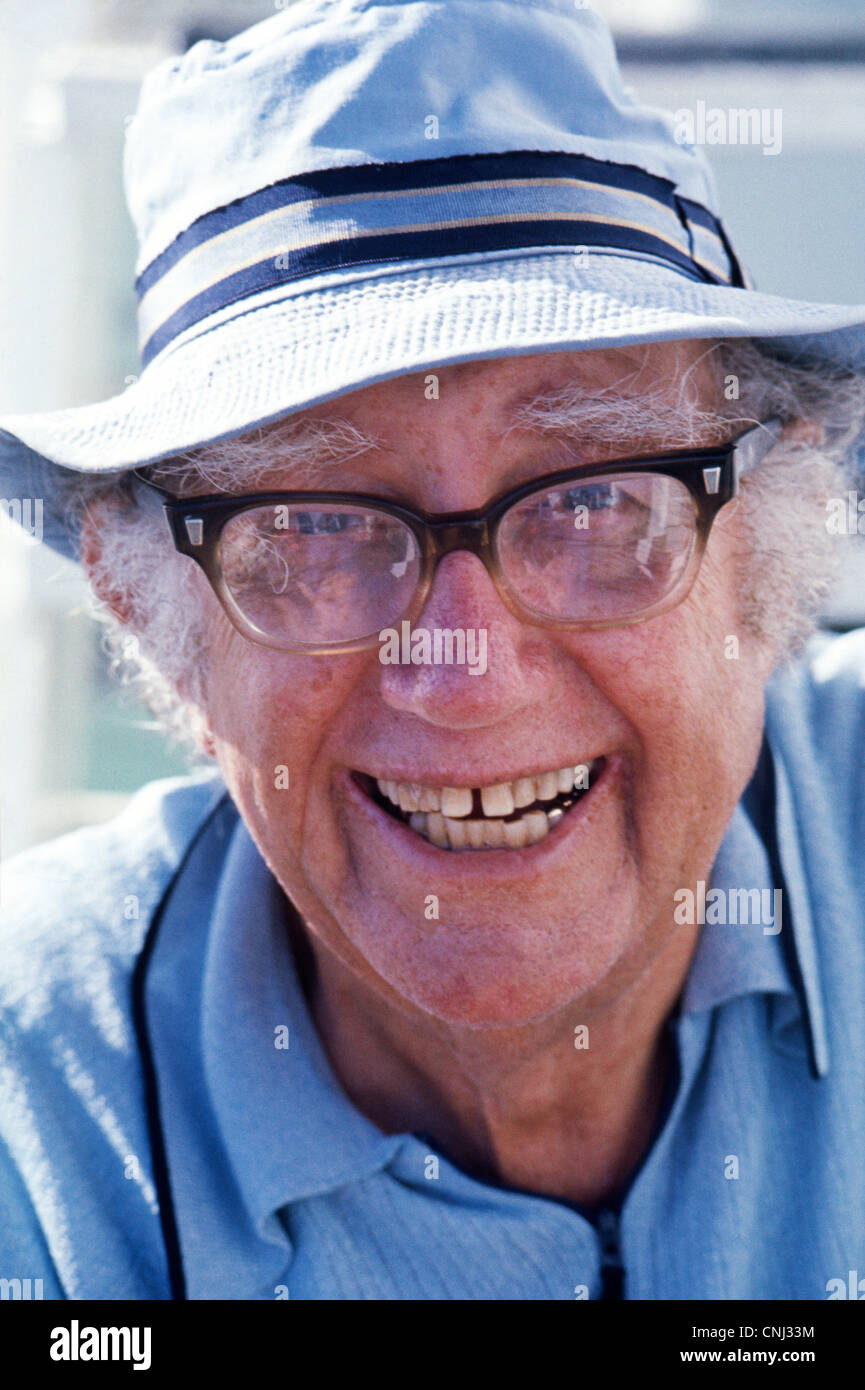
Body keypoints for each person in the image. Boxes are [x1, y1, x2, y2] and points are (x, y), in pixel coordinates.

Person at [1, 0, 864, 1302]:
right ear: (148, 605)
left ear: (774, 547)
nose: (463, 672)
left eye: (592, 498)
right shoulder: (35, 1118)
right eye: (312, 525)